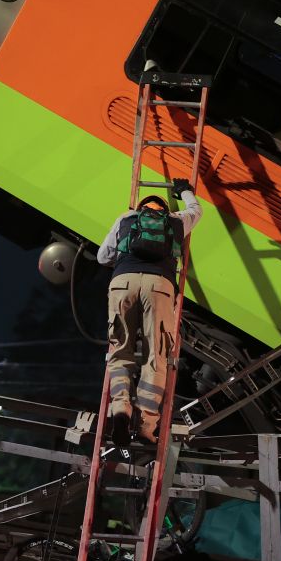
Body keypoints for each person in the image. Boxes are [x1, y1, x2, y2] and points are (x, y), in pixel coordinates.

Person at [96, 178, 202, 445]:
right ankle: (145, 425)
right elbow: (197, 210)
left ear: (142, 208)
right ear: (164, 210)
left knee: (120, 350)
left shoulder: (126, 218)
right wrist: (185, 191)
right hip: (160, 286)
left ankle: (120, 409)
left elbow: (102, 257)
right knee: (157, 355)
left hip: (123, 283)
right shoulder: (177, 221)